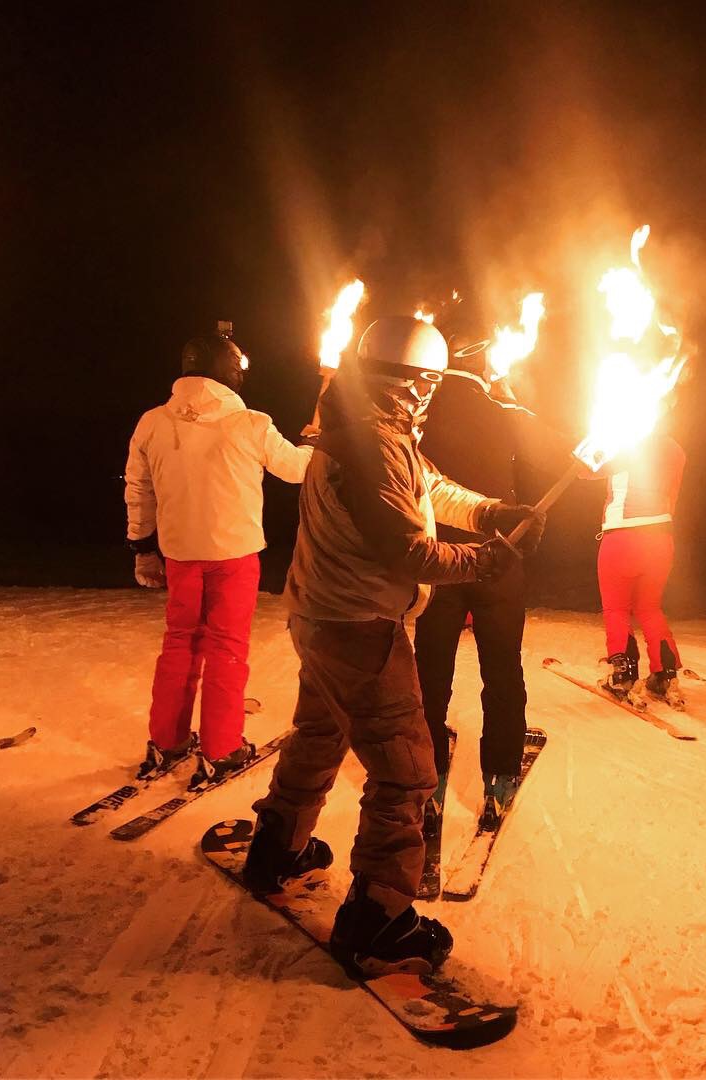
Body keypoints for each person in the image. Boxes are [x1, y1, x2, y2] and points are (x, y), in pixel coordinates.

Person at [242, 316, 542, 979]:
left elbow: (429, 489)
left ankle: (277, 849)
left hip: (321, 617)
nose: (430, 398)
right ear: (410, 383)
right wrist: (484, 561)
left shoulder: (363, 431)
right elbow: (406, 549)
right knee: (407, 771)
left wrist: (490, 512)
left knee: (319, 735)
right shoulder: (373, 444)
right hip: (359, 626)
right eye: (427, 384)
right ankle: (379, 918)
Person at [124, 323, 313, 789]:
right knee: (226, 648)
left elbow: (139, 491)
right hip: (234, 556)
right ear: (231, 373)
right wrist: (315, 441)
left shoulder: (152, 422)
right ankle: (222, 747)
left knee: (179, 643)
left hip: (180, 555)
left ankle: (166, 741)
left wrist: (143, 549)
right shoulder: (251, 424)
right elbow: (295, 471)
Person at [414, 334, 558, 826]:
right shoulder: (502, 409)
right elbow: (558, 460)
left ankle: (426, 776)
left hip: (438, 560)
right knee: (502, 670)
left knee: (430, 675)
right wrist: (515, 400)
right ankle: (500, 772)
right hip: (498, 554)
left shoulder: (418, 411)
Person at [598, 425, 687, 707]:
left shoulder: (621, 439)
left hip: (621, 537)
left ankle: (623, 675)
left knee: (616, 608)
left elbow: (584, 466)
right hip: (660, 538)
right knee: (650, 607)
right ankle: (665, 674)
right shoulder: (674, 447)